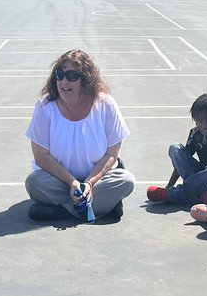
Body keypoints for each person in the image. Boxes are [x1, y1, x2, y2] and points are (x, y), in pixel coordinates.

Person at [25, 49, 135, 222]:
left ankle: (61, 211)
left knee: (126, 181)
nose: (64, 82)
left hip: (98, 180)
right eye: (59, 75)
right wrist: (72, 183)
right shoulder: (45, 107)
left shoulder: (106, 105)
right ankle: (98, 207)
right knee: (34, 183)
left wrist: (89, 183)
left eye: (72, 76)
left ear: (87, 79)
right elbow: (41, 157)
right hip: (59, 181)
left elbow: (111, 155)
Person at [147, 92, 207, 206]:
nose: (204, 125)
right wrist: (169, 185)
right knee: (175, 148)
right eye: (199, 120)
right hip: (199, 173)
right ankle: (198, 193)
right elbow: (183, 162)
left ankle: (175, 194)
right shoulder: (195, 133)